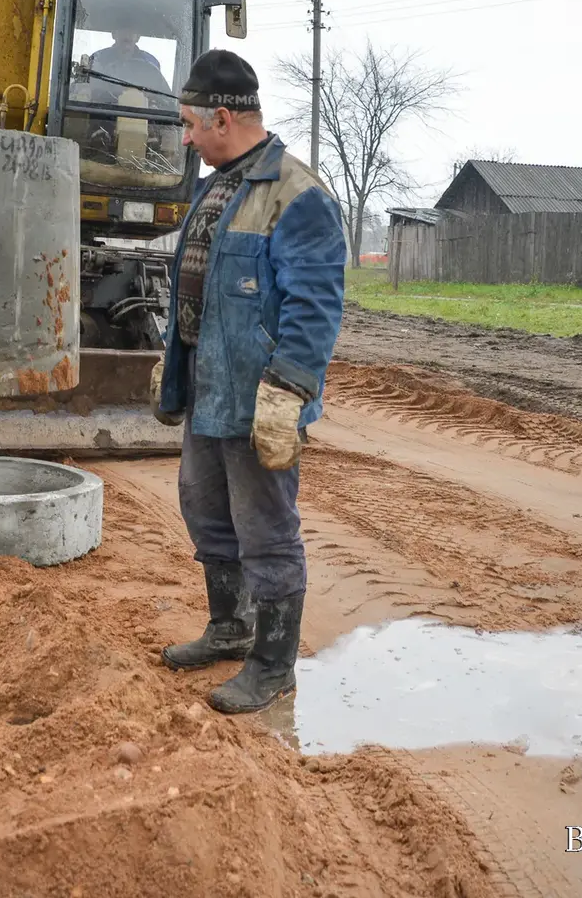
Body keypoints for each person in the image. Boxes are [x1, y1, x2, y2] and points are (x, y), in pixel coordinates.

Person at [150, 50, 347, 713]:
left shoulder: (299, 195)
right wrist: (173, 352)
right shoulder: (219, 184)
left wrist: (286, 392)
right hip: (209, 388)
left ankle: (272, 665)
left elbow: (315, 309)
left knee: (267, 530)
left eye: (189, 124)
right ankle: (230, 626)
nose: (184, 137)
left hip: (256, 395)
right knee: (207, 514)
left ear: (223, 118)